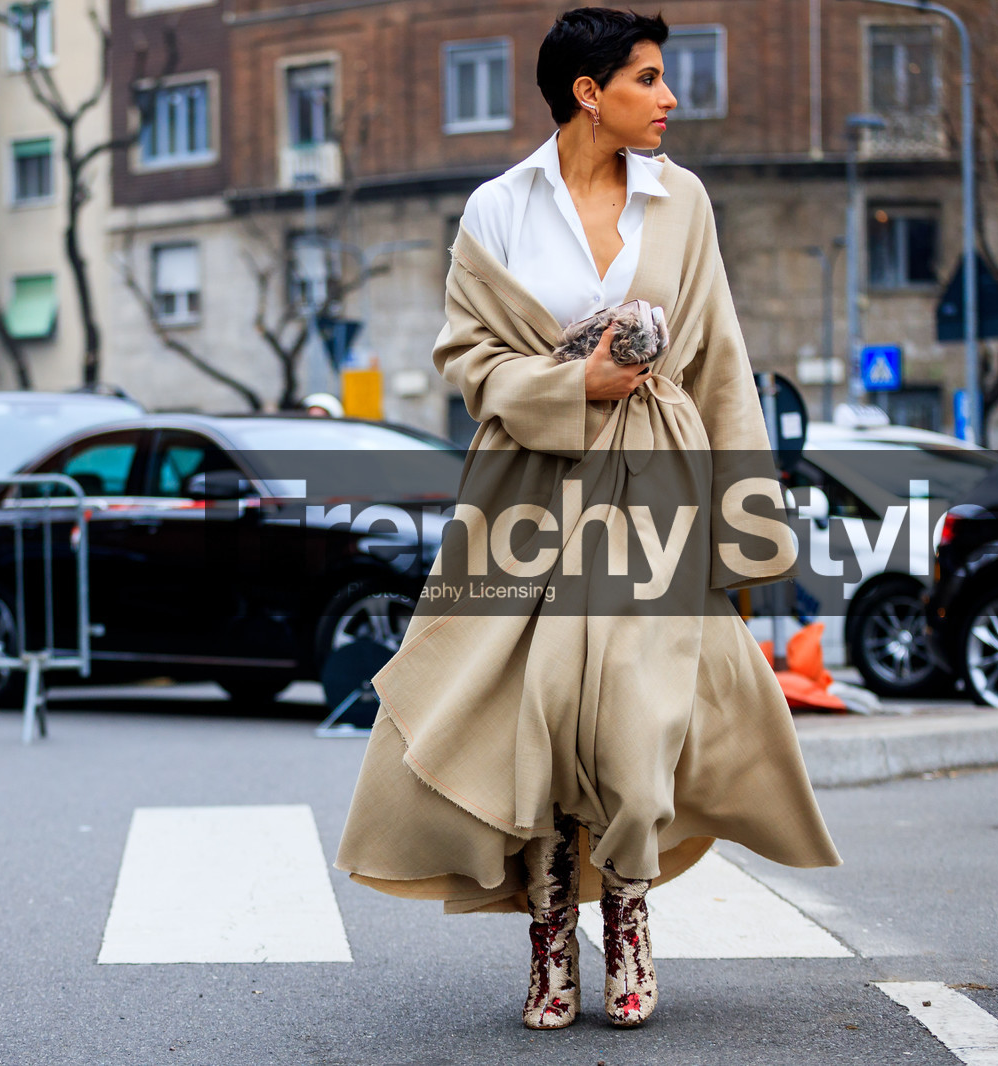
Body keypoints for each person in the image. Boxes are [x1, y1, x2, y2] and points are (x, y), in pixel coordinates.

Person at [333, 7, 840, 1031]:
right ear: (587, 93)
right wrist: (578, 386)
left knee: (634, 722)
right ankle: (550, 931)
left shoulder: (682, 201)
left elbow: (719, 362)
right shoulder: (498, 207)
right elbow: (467, 361)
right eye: (649, 78)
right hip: (527, 486)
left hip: (656, 483)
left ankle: (631, 915)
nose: (669, 98)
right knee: (538, 718)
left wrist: (746, 532)